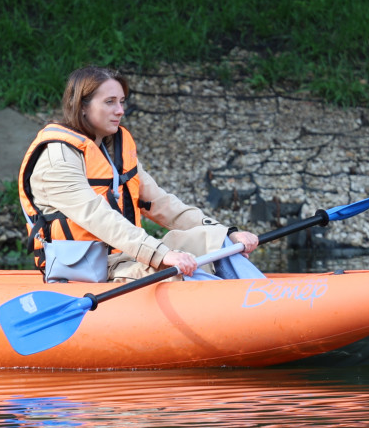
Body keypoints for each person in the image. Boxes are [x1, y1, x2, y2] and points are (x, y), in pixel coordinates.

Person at [18, 65, 260, 281]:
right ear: (82, 106)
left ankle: (260, 296)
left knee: (217, 240)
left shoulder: (113, 148)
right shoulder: (57, 157)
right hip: (88, 268)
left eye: (122, 101)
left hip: (127, 256)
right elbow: (97, 216)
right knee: (176, 274)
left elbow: (162, 204)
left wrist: (227, 232)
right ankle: (251, 310)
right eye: (110, 102)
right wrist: (160, 255)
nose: (120, 110)